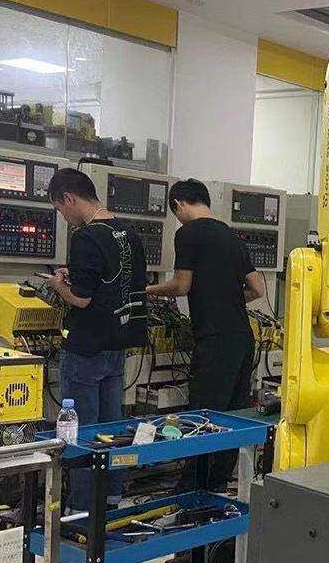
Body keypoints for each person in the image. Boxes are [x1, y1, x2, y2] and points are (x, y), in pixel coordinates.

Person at [147, 178, 264, 490]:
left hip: (215, 339)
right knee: (233, 416)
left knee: (203, 416)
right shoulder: (232, 236)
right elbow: (258, 289)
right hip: (243, 338)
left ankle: (192, 490)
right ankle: (217, 485)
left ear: (179, 205)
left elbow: (181, 285)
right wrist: (227, 298)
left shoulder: (188, 233)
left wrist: (147, 290)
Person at [47, 168, 147, 511]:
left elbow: (82, 299)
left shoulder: (86, 237)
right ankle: (112, 498)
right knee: (112, 427)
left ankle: (81, 508)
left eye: (61, 209)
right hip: (116, 346)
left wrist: (59, 285)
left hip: (86, 349)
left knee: (82, 432)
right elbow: (114, 283)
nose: (64, 217)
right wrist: (77, 276)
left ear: (69, 198)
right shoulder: (128, 232)